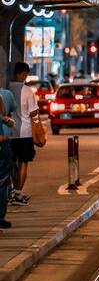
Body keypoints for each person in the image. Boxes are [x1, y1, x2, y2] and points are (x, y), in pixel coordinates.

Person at [7, 62, 39, 205]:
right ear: (22, 74)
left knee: (10, 163)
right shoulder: (27, 91)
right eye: (25, 74)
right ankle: (18, 193)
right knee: (23, 163)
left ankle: (11, 191)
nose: (25, 77)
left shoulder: (6, 88)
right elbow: (33, 112)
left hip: (8, 133)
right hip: (24, 133)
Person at [0, 85, 15, 230]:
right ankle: (0, 216)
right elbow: (7, 117)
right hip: (2, 143)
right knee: (3, 180)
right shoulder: (2, 96)